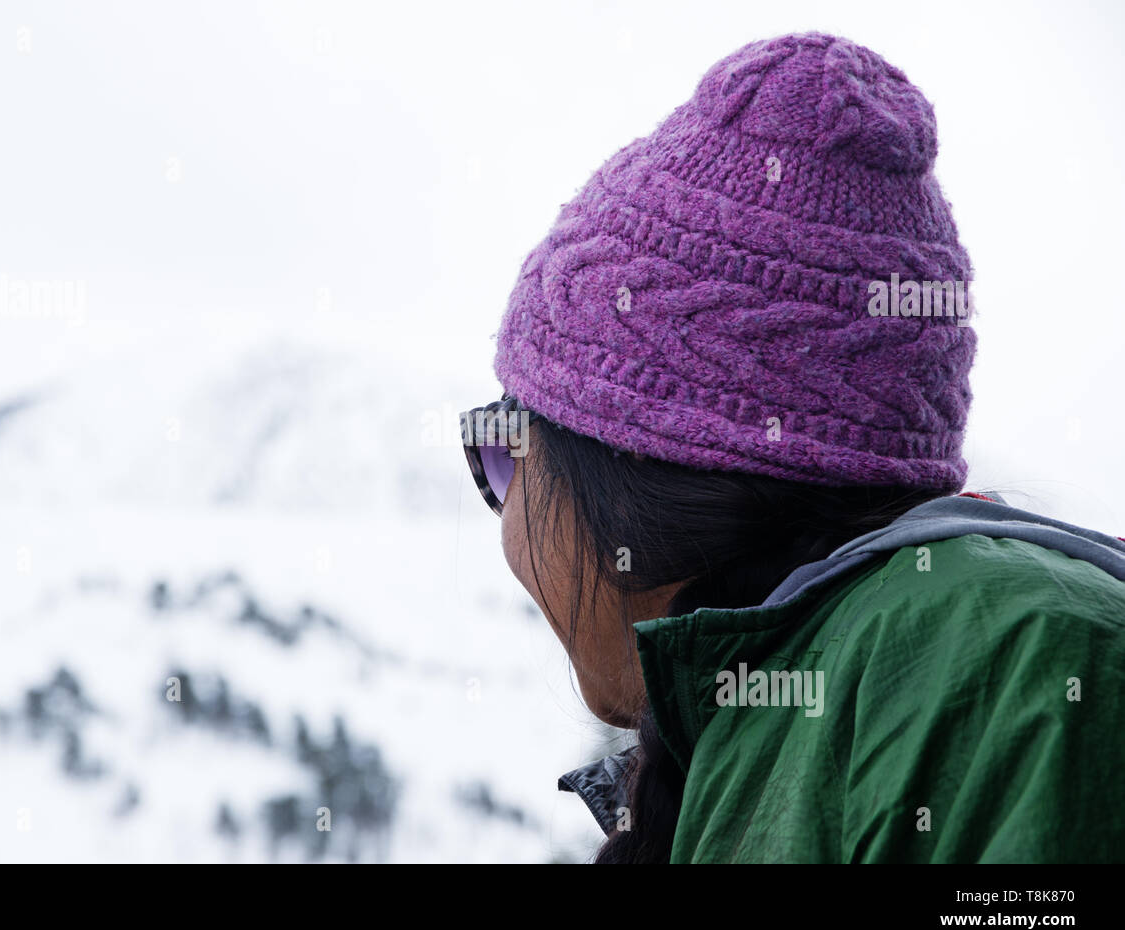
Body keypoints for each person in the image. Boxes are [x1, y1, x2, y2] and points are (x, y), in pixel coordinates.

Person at [459, 32, 1125, 863]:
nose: (505, 510)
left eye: (503, 452)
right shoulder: (819, 714)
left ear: (625, 476)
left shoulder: (1008, 686)